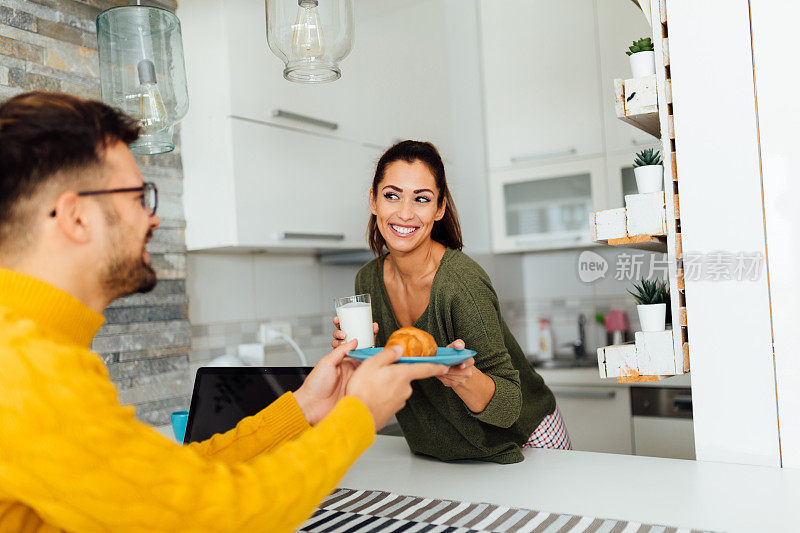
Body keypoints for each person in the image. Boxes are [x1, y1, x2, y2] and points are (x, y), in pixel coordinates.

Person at [0, 92, 449, 532]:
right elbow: (219, 514)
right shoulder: (31, 368)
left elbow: (176, 484)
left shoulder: (31, 350)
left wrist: (303, 407)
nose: (152, 219)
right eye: (139, 197)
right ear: (77, 218)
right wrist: (359, 415)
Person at [332, 140, 572, 464]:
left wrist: (463, 377)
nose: (405, 212)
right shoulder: (367, 282)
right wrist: (354, 358)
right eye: (392, 195)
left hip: (526, 441)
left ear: (439, 208)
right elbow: (386, 377)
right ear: (373, 200)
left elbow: (509, 405)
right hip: (441, 455)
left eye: (421, 199)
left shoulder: (461, 283)